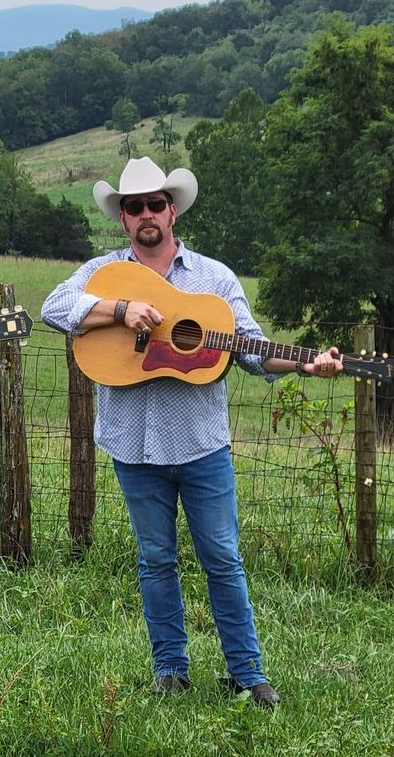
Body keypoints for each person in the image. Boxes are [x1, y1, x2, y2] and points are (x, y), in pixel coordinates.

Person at [41, 156, 343, 709]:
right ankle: (171, 671)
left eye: (156, 203)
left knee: (222, 557)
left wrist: (303, 362)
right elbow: (54, 307)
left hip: (203, 443)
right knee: (155, 559)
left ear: (172, 209)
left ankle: (248, 674)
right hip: (135, 443)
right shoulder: (103, 272)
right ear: (123, 218)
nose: (147, 214)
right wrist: (121, 309)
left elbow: (252, 350)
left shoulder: (213, 278)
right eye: (134, 207)